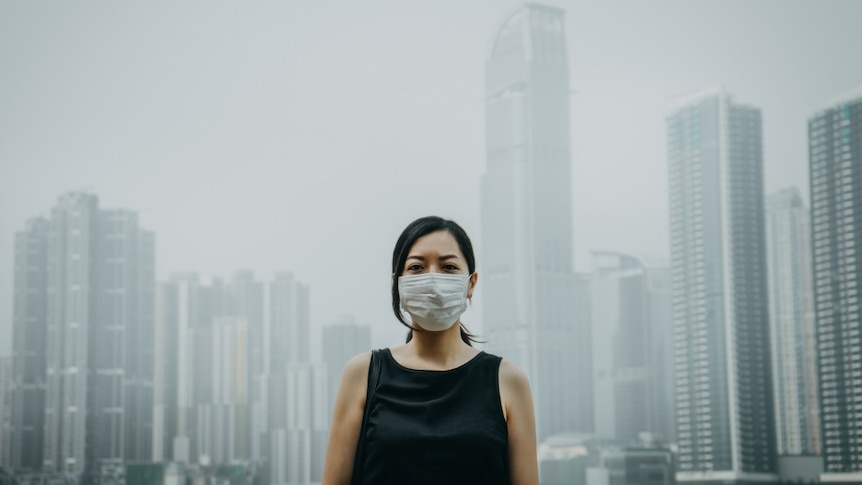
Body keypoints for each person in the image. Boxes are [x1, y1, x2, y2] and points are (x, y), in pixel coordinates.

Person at [322, 216, 539, 485]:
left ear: (471, 283)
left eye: (448, 266)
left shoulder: (508, 380)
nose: (433, 279)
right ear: (397, 283)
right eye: (416, 267)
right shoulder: (364, 373)